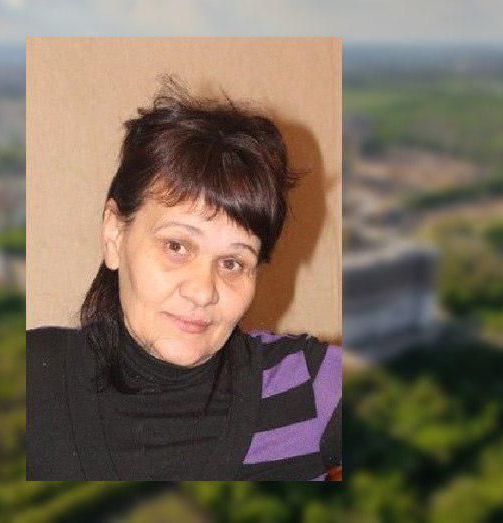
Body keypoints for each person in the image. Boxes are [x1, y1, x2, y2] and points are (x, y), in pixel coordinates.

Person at [27, 78, 342, 481]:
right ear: (114, 235)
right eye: (176, 246)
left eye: (233, 263)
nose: (202, 291)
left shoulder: (307, 386)